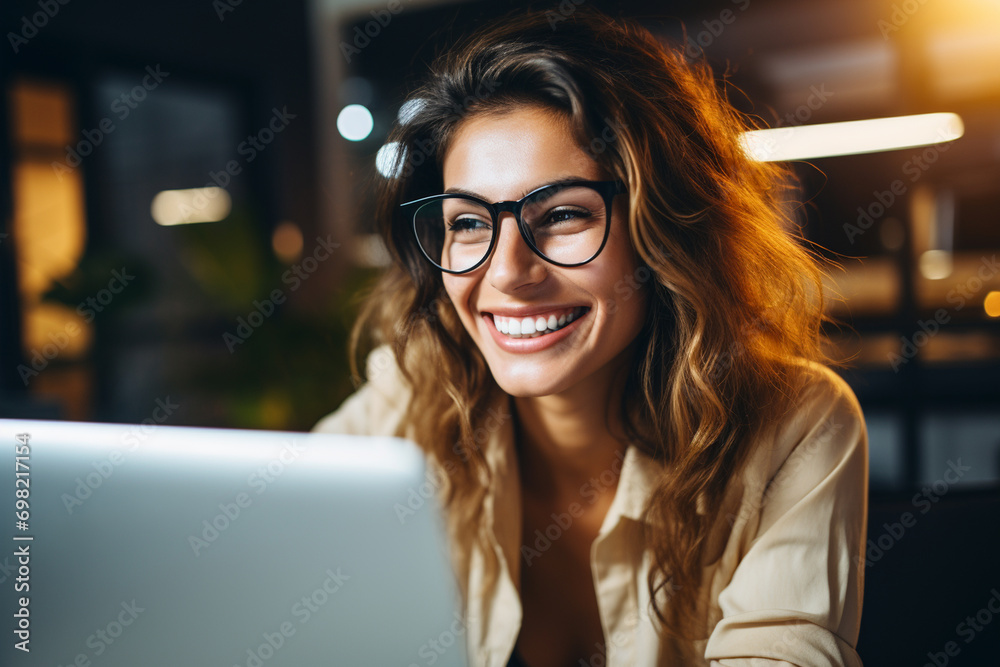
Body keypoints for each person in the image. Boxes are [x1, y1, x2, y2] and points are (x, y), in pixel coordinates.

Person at [314, 8, 868, 667]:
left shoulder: (795, 425)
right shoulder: (406, 404)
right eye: (467, 223)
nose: (507, 272)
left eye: (564, 214)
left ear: (662, 232)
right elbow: (274, 568)